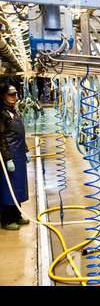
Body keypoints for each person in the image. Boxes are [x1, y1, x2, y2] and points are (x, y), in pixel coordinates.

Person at [0, 85, 30, 230]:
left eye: (15, 94)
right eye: (10, 95)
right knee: (7, 189)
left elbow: (20, 133)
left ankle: (17, 214)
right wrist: (7, 159)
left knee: (17, 187)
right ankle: (6, 220)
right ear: (3, 96)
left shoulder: (15, 110)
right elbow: (1, 138)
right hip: (9, 155)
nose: (13, 97)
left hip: (18, 154)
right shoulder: (2, 113)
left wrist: (25, 150)